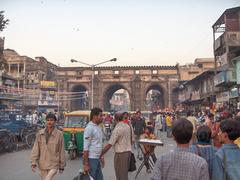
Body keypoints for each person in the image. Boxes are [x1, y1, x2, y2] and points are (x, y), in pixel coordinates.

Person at [100, 111, 134, 180]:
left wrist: (100, 154)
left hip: (120, 155)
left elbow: (110, 144)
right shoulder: (128, 126)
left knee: (120, 175)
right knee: (124, 175)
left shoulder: (118, 129)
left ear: (116, 119)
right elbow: (132, 140)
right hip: (128, 153)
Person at [30, 113, 66, 180]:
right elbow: (36, 149)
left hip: (54, 164)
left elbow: (61, 150)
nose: (49, 122)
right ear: (46, 121)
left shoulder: (59, 134)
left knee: (48, 178)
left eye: (52, 120)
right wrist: (33, 162)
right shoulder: (40, 133)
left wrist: (62, 165)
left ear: (55, 122)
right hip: (42, 164)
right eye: (48, 120)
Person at [83, 108, 104, 180]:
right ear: (94, 116)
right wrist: (86, 164)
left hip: (97, 158)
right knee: (91, 178)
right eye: (101, 116)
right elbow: (86, 147)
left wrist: (101, 157)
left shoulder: (98, 127)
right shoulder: (89, 128)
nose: (102, 118)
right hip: (91, 159)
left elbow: (99, 144)